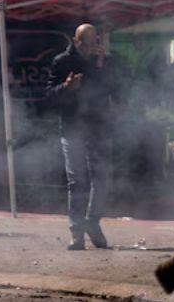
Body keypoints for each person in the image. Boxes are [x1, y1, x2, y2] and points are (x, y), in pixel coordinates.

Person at [47, 24, 118, 251]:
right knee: (77, 181)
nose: (91, 47)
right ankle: (76, 232)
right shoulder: (62, 61)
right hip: (72, 127)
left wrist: (99, 65)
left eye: (94, 41)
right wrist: (67, 87)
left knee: (102, 178)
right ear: (76, 42)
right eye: (86, 42)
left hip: (99, 127)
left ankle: (92, 222)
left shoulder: (104, 62)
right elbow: (48, 97)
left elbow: (116, 90)